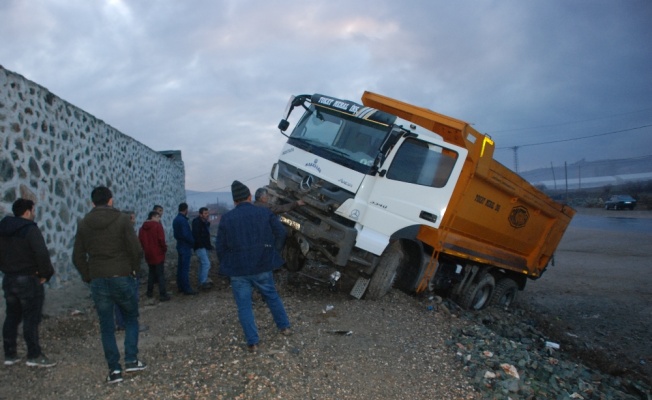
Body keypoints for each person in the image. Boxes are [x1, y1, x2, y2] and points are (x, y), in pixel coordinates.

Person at [72, 186, 147, 384]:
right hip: (122, 275)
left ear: (92, 203)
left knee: (107, 326)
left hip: (98, 278)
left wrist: (89, 275)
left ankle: (114, 370)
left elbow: (77, 256)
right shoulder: (122, 219)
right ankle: (131, 360)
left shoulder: (84, 223)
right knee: (131, 318)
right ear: (111, 200)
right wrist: (133, 270)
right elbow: (136, 249)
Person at [216, 181, 292, 353]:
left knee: (244, 306)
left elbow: (220, 247)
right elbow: (281, 232)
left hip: (238, 270)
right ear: (250, 197)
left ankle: (253, 343)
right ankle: (285, 327)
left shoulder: (227, 219)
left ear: (234, 200)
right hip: (262, 264)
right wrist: (273, 251)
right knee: (272, 296)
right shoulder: (264, 212)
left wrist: (227, 263)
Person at [0, 198, 56, 368]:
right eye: (33, 210)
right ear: (27, 212)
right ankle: (34, 354)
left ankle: (10, 354)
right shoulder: (30, 230)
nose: (34, 213)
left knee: (12, 316)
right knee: (31, 318)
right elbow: (41, 253)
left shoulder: (3, 230)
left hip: (9, 279)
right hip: (29, 280)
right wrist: (46, 274)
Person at [139, 211, 170, 301]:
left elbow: (140, 240)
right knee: (160, 274)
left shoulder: (142, 228)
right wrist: (164, 249)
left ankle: (149, 292)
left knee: (151, 273)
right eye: (158, 217)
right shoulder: (157, 226)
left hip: (148, 253)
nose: (159, 219)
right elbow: (161, 240)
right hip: (158, 253)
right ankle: (162, 294)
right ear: (153, 217)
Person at [173, 202, 196, 295]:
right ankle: (186, 288)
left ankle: (180, 287)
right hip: (185, 246)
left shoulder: (176, 219)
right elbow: (186, 234)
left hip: (180, 245)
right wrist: (193, 242)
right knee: (185, 268)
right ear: (186, 209)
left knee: (180, 268)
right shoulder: (183, 220)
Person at [192, 207, 213, 290]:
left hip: (204, 246)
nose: (207, 215)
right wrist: (201, 244)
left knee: (202, 264)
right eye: (205, 213)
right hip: (200, 246)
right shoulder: (197, 222)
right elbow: (197, 235)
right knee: (206, 263)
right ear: (200, 214)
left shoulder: (204, 222)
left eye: (207, 213)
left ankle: (201, 281)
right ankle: (203, 281)